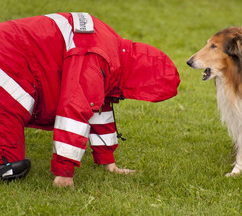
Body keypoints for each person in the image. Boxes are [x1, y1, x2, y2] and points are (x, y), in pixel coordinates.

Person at [0, 12, 180, 187]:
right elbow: (73, 111)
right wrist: (64, 174)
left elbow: (98, 106)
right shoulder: (96, 59)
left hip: (16, 54)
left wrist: (108, 162)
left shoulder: (113, 53)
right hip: (7, 60)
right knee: (10, 166)